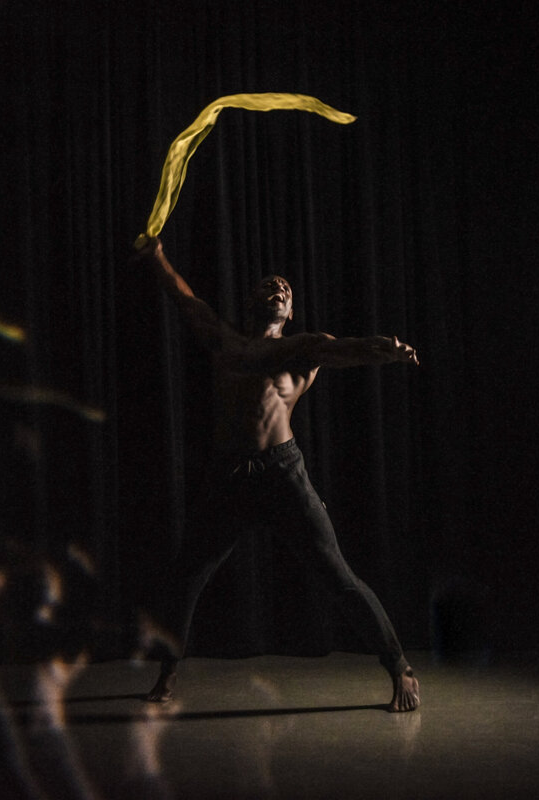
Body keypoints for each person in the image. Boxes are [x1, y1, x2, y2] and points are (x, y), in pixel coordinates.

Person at [133, 236, 420, 712]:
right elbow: (186, 300)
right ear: (253, 302)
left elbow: (346, 350)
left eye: (286, 288)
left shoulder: (302, 350)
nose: (279, 288)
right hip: (227, 475)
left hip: (282, 474)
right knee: (187, 576)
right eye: (270, 285)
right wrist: (158, 256)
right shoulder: (226, 343)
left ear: (290, 312)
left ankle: (400, 668)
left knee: (338, 578)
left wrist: (383, 350)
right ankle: (166, 674)